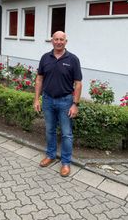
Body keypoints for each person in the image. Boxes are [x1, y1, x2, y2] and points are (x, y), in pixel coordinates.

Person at [34, 31, 82, 177]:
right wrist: (37, 99)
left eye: (62, 39)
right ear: (52, 41)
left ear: (66, 42)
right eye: (56, 39)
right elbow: (39, 79)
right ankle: (50, 155)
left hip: (65, 101)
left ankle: (66, 163)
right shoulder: (45, 58)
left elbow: (78, 84)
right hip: (48, 100)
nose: (59, 42)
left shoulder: (73, 59)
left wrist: (75, 104)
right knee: (49, 130)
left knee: (67, 134)